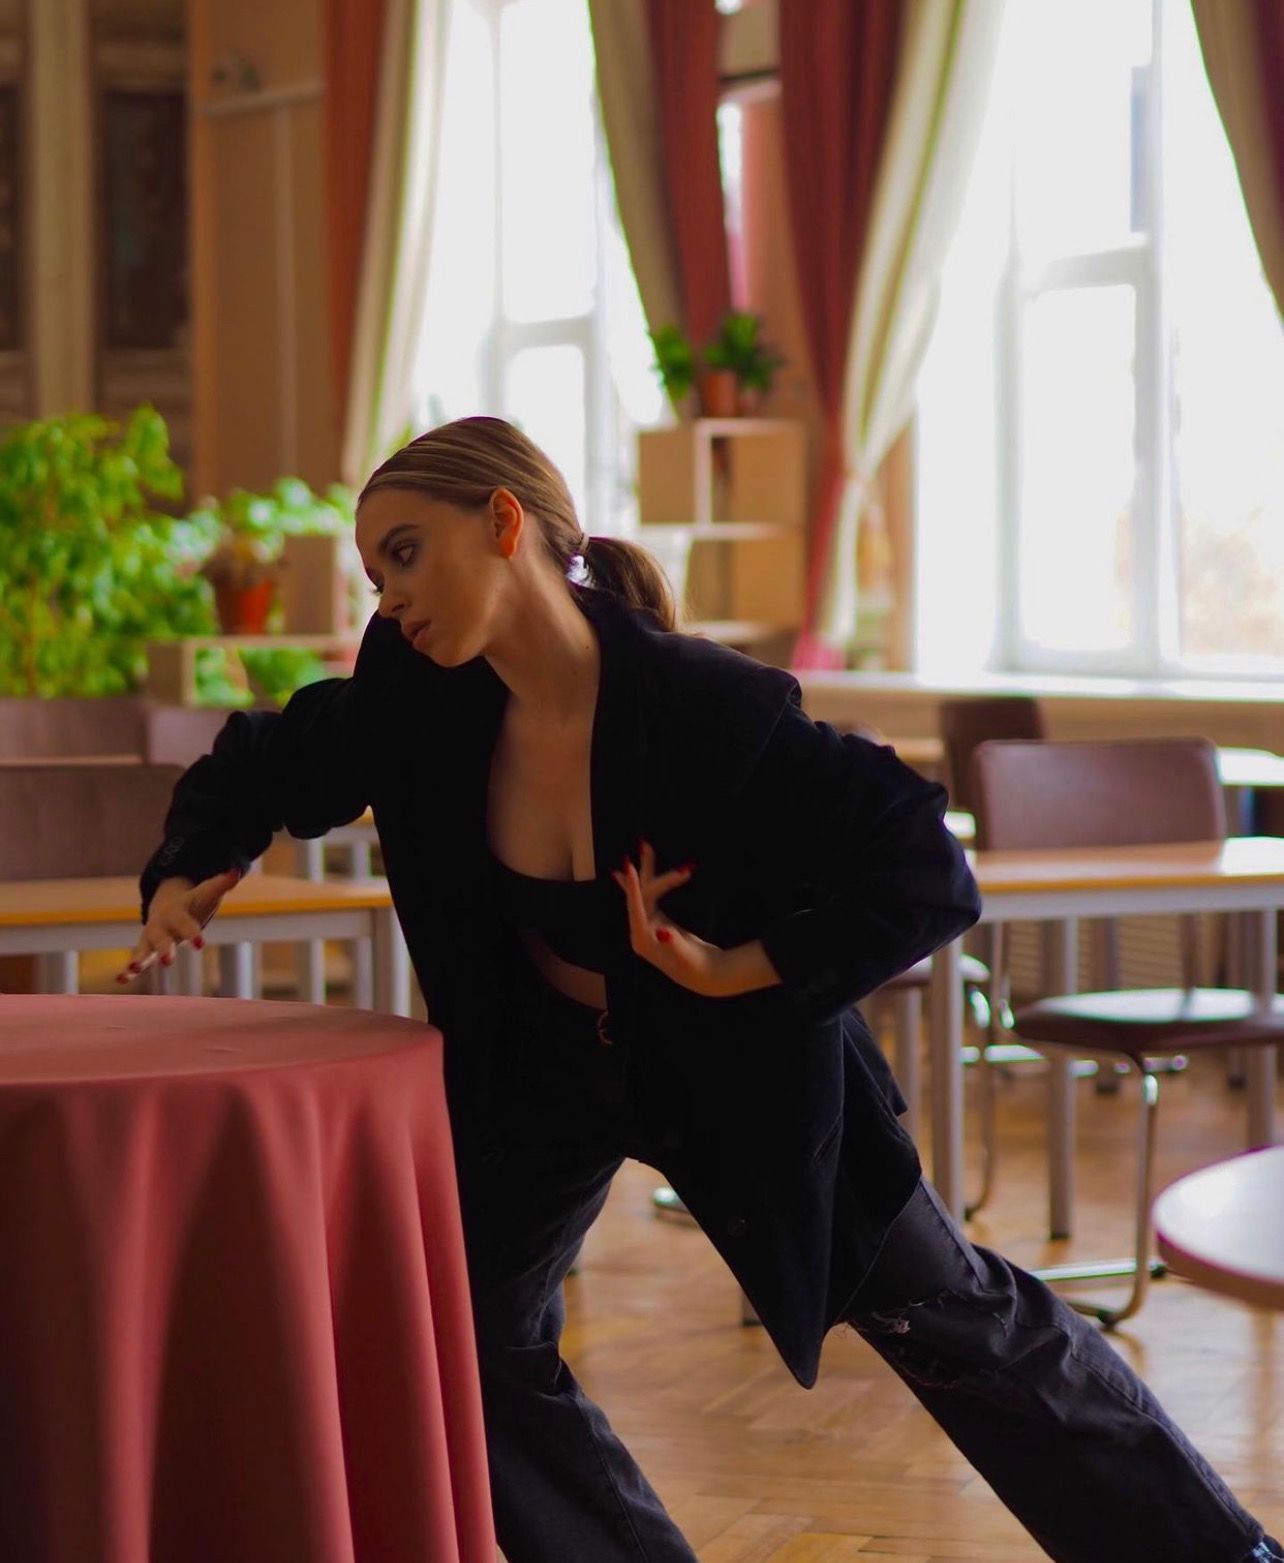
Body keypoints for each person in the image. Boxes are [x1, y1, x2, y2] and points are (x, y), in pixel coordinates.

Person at [123, 416, 1282, 1563]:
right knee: (459, 1342)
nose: (391, 598)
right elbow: (274, 755)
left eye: (408, 552)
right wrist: (192, 863)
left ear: (505, 521)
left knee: (962, 1325)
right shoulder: (417, 697)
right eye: (378, 575)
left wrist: (743, 967)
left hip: (735, 1075)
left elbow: (922, 863)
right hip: (535, 1076)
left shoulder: (704, 707)